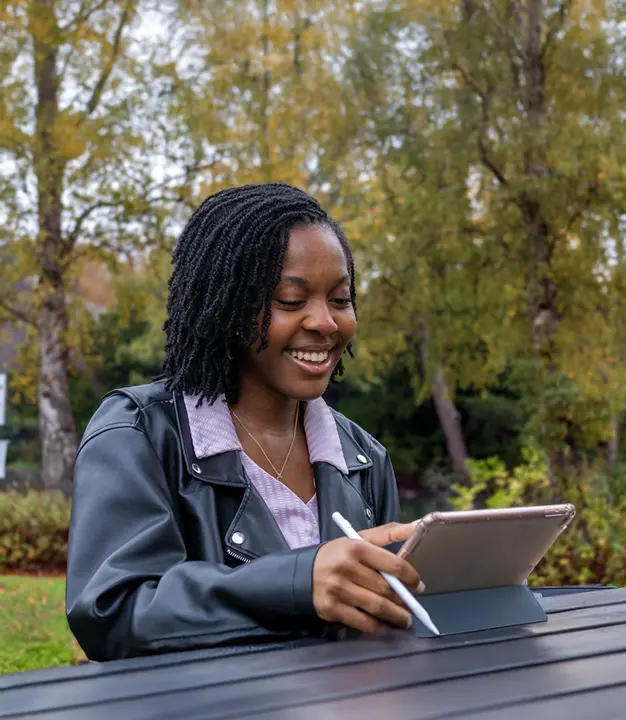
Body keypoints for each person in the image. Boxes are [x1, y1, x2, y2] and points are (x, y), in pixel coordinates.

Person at [66, 183, 423, 662]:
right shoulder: (140, 433)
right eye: (291, 301)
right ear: (226, 306)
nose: (326, 322)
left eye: (340, 299)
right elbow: (113, 611)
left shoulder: (363, 457)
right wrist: (298, 582)